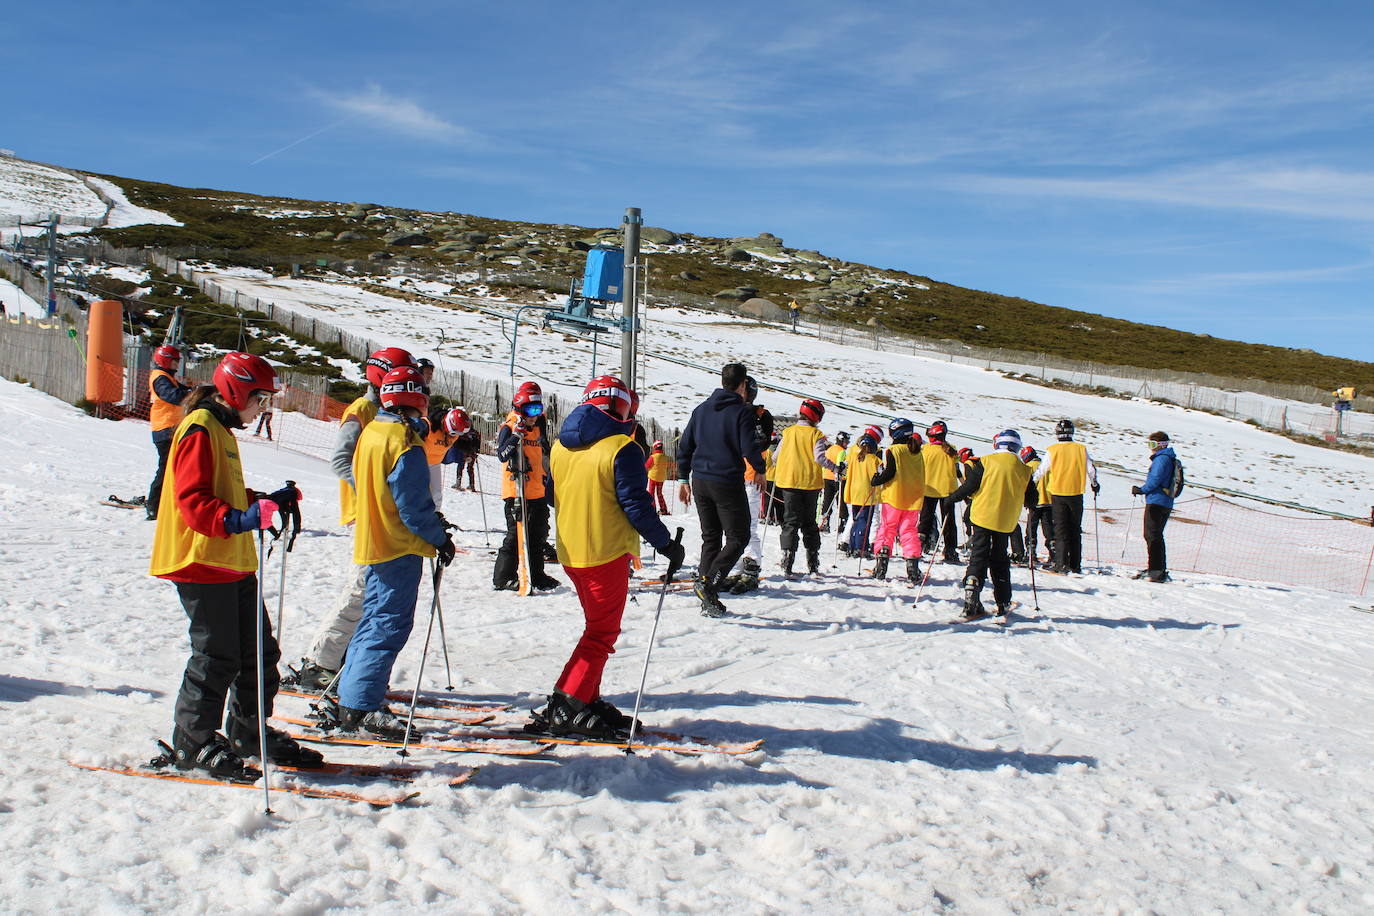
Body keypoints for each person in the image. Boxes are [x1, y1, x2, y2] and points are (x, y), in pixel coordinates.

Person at [150, 351, 321, 777]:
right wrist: (239, 518)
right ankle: (192, 741)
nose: (262, 408)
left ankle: (247, 730)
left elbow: (222, 490)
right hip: (199, 559)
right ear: (237, 390)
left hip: (230, 560)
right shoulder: (199, 429)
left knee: (259, 652)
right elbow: (192, 501)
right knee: (216, 655)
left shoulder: (221, 429)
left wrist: (260, 501)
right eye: (260, 398)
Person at [527, 376, 685, 738]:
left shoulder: (561, 446)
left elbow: (553, 494)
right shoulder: (622, 447)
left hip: (572, 550)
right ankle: (568, 702)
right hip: (605, 552)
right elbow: (636, 506)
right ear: (623, 407)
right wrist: (666, 545)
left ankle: (584, 697)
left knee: (595, 629)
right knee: (601, 633)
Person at [324, 365, 457, 739]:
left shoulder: (374, 432)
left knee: (372, 620)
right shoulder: (403, 440)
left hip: (374, 538)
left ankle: (353, 695)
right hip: (397, 544)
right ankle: (361, 706)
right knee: (388, 624)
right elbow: (412, 504)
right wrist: (438, 538)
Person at [293, 346, 414, 692]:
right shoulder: (363, 409)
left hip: (379, 514)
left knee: (372, 592)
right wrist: (371, 490)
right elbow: (340, 460)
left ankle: (344, 661)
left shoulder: (386, 412)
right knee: (361, 589)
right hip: (365, 513)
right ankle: (319, 663)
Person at [676, 362, 766, 618]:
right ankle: (709, 583)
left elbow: (685, 446)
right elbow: (749, 447)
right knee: (738, 537)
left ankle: (707, 594)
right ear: (743, 385)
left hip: (700, 480)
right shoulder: (741, 412)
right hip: (726, 480)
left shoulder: (701, 409)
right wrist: (759, 469)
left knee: (711, 537)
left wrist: (683, 478)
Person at [948, 430, 1033, 622]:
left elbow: (969, 487)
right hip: (1005, 521)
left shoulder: (985, 462)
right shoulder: (1024, 469)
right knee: (999, 558)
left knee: (979, 555)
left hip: (981, 516)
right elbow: (1032, 499)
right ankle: (1003, 601)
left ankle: (971, 595)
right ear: (1017, 448)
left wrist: (951, 499)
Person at [493, 381, 558, 592]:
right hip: (516, 491)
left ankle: (536, 574)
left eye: (538, 410)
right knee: (516, 535)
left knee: (539, 533)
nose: (535, 415)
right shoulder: (510, 426)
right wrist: (515, 437)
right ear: (520, 407)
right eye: (531, 410)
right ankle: (503, 577)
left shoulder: (538, 424)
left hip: (536, 489)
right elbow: (502, 454)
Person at [772, 398, 840, 576]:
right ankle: (813, 561)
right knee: (809, 523)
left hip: (788, 483)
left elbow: (775, 457)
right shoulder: (816, 435)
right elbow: (819, 458)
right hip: (810, 484)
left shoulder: (788, 432)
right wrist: (834, 467)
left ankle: (787, 558)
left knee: (790, 521)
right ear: (816, 417)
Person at [720, 376, 773, 595]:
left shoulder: (760, 415)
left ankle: (751, 569)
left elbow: (761, 441)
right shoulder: (728, 411)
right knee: (731, 527)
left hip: (750, 476)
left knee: (748, 526)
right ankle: (735, 567)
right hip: (730, 474)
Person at [1033, 419, 1099, 574]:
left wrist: (1031, 484)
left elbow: (1041, 470)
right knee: (1075, 529)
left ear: (1057, 433)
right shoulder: (1080, 449)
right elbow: (1091, 469)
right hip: (1076, 494)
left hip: (1058, 494)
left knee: (1061, 530)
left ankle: (1061, 564)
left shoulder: (1053, 450)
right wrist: (1094, 484)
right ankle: (1075, 565)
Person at [869, 419, 925, 583]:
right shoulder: (917, 451)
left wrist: (876, 480)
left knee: (887, 529)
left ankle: (881, 563)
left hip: (894, 497)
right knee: (909, 532)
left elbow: (889, 473)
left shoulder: (893, 450)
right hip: (913, 499)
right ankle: (913, 567)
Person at [146, 345, 192, 521]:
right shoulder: (160, 378)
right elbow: (173, 396)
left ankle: (164, 502)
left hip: (170, 429)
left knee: (173, 468)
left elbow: (182, 391)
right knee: (165, 468)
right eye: (175, 360)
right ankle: (154, 506)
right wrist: (189, 395)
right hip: (165, 429)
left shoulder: (167, 377)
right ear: (166, 360)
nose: (177, 364)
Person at [1131, 432, 1178, 583]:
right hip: (1164, 501)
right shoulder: (1167, 458)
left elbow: (1155, 479)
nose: (1150, 448)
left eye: (1152, 444)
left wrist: (1141, 490)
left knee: (1152, 535)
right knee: (1155, 535)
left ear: (1161, 444)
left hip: (1156, 501)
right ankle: (1157, 568)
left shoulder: (1161, 459)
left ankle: (1156, 570)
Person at [918, 420, 961, 563]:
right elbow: (957, 469)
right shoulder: (952, 450)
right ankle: (950, 550)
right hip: (948, 490)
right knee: (949, 522)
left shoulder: (926, 450)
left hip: (929, 488)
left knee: (925, 519)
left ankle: (919, 545)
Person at [843, 427, 883, 558]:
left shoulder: (853, 456)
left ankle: (852, 545)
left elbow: (845, 467)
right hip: (867, 494)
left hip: (853, 492)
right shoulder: (875, 460)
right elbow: (880, 474)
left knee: (855, 519)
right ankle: (861, 547)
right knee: (864, 522)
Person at [1020, 445, 1054, 565]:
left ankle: (1031, 554)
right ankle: (1053, 554)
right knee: (1049, 529)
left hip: (1034, 503)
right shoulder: (1047, 465)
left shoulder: (1028, 467)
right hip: (1049, 501)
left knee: (1031, 529)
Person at [420, 406, 459, 510]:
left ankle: (436, 515)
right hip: (419, 463)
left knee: (436, 493)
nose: (455, 435)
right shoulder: (428, 425)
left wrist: (470, 445)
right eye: (453, 432)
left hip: (435, 464)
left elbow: (461, 442)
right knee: (419, 491)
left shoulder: (456, 432)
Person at [820, 431, 850, 533]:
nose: (847, 444)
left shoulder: (829, 449)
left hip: (826, 478)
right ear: (841, 441)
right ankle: (843, 522)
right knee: (840, 501)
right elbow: (840, 465)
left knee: (827, 500)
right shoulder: (841, 451)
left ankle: (825, 521)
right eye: (846, 442)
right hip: (837, 479)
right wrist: (844, 476)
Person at [444, 407, 481, 491]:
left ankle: (459, 482)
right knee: (470, 468)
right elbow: (478, 444)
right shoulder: (476, 433)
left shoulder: (464, 433)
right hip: (472, 453)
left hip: (464, 452)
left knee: (461, 466)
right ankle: (471, 485)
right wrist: (477, 452)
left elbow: (458, 441)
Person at [645, 441, 672, 515]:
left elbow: (647, 466)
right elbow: (668, 466)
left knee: (651, 493)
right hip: (661, 478)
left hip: (653, 477)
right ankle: (664, 509)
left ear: (654, 448)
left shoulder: (653, 457)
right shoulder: (665, 457)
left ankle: (652, 509)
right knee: (659, 493)